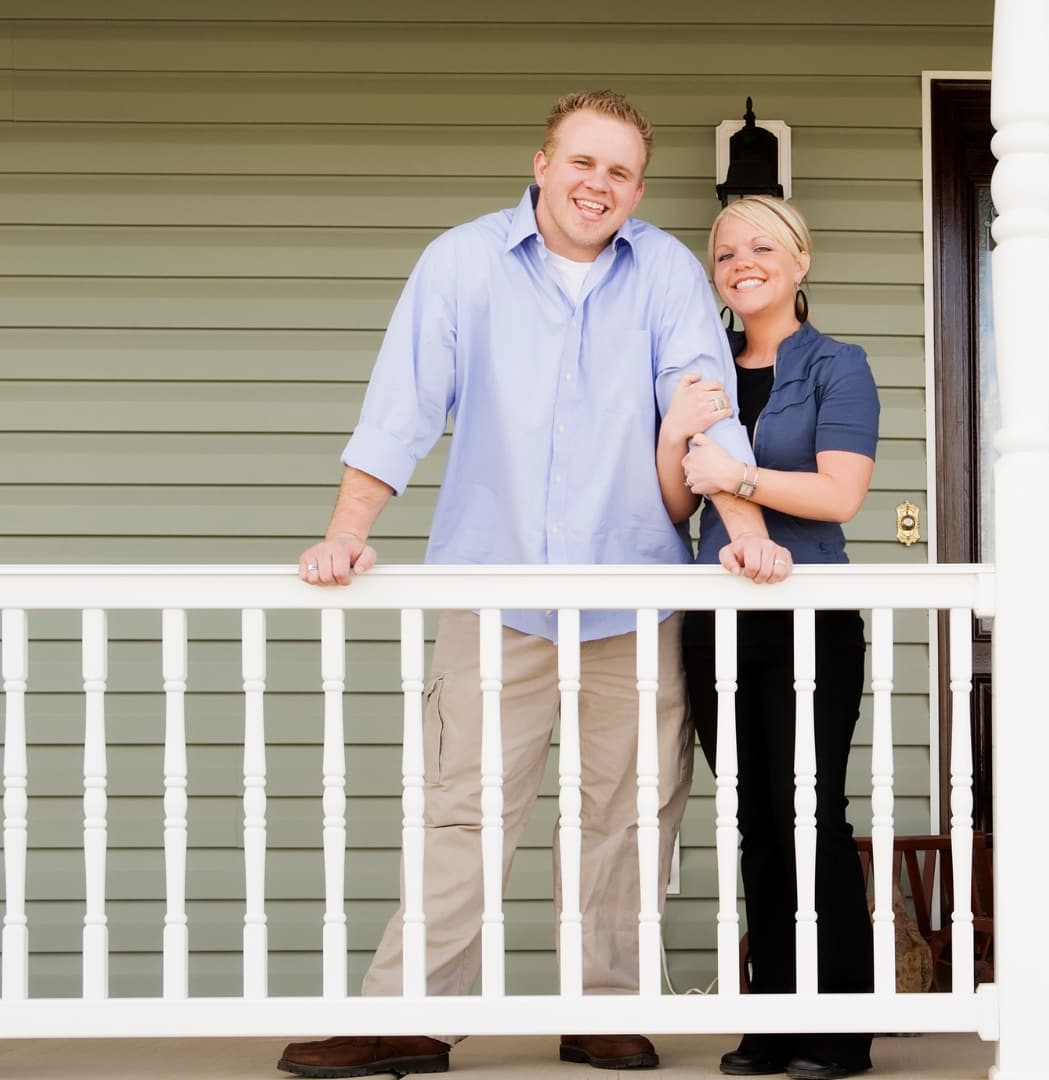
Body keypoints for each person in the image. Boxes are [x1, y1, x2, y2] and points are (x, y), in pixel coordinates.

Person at [276, 90, 793, 1079]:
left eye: (620, 172)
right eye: (583, 163)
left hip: (634, 599)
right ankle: (409, 1018)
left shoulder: (668, 277)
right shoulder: (462, 264)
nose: (599, 184)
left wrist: (749, 536)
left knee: (629, 810)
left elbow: (707, 420)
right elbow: (399, 412)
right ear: (543, 164)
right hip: (494, 588)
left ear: (638, 189)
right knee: (462, 809)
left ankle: (602, 1007)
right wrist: (345, 536)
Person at [662, 195, 880, 1080]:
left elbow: (839, 497)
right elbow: (676, 506)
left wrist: (738, 471)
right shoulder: (698, 370)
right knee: (754, 820)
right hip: (720, 625)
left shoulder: (838, 365)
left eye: (761, 247)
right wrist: (681, 434)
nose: (741, 262)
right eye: (724, 252)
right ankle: (774, 1021)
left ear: (799, 263)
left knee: (811, 812)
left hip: (810, 621)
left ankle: (838, 1031)